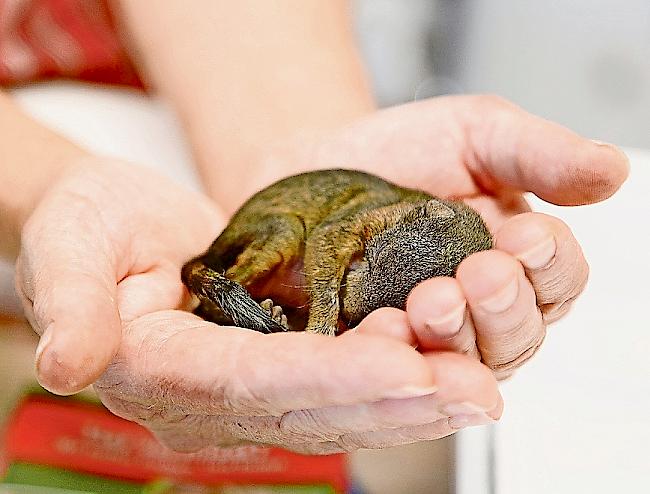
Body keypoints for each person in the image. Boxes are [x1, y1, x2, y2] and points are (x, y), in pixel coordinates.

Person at [0, 1, 628, 453]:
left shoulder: (409, 229)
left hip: (166, 108)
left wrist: (288, 134)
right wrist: (38, 184)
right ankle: (226, 285)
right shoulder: (363, 228)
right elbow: (326, 240)